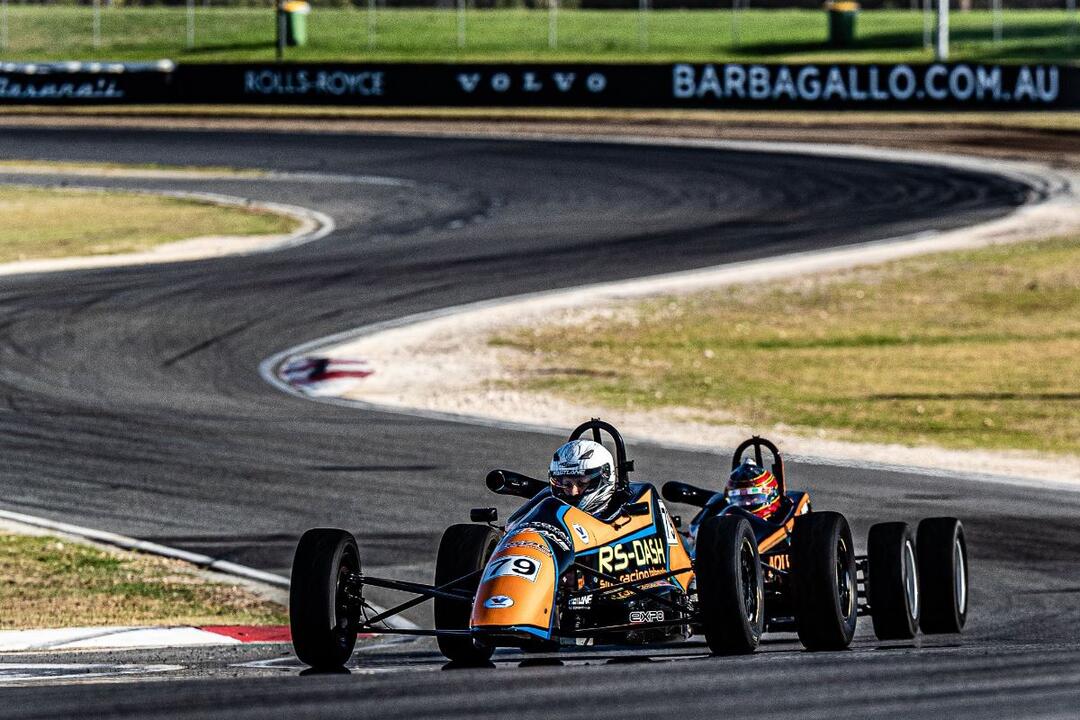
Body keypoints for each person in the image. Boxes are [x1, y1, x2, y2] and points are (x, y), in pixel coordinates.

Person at [548, 439, 624, 518]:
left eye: (582, 483)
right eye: (567, 484)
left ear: (605, 477)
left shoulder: (622, 517)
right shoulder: (548, 505)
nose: (573, 492)